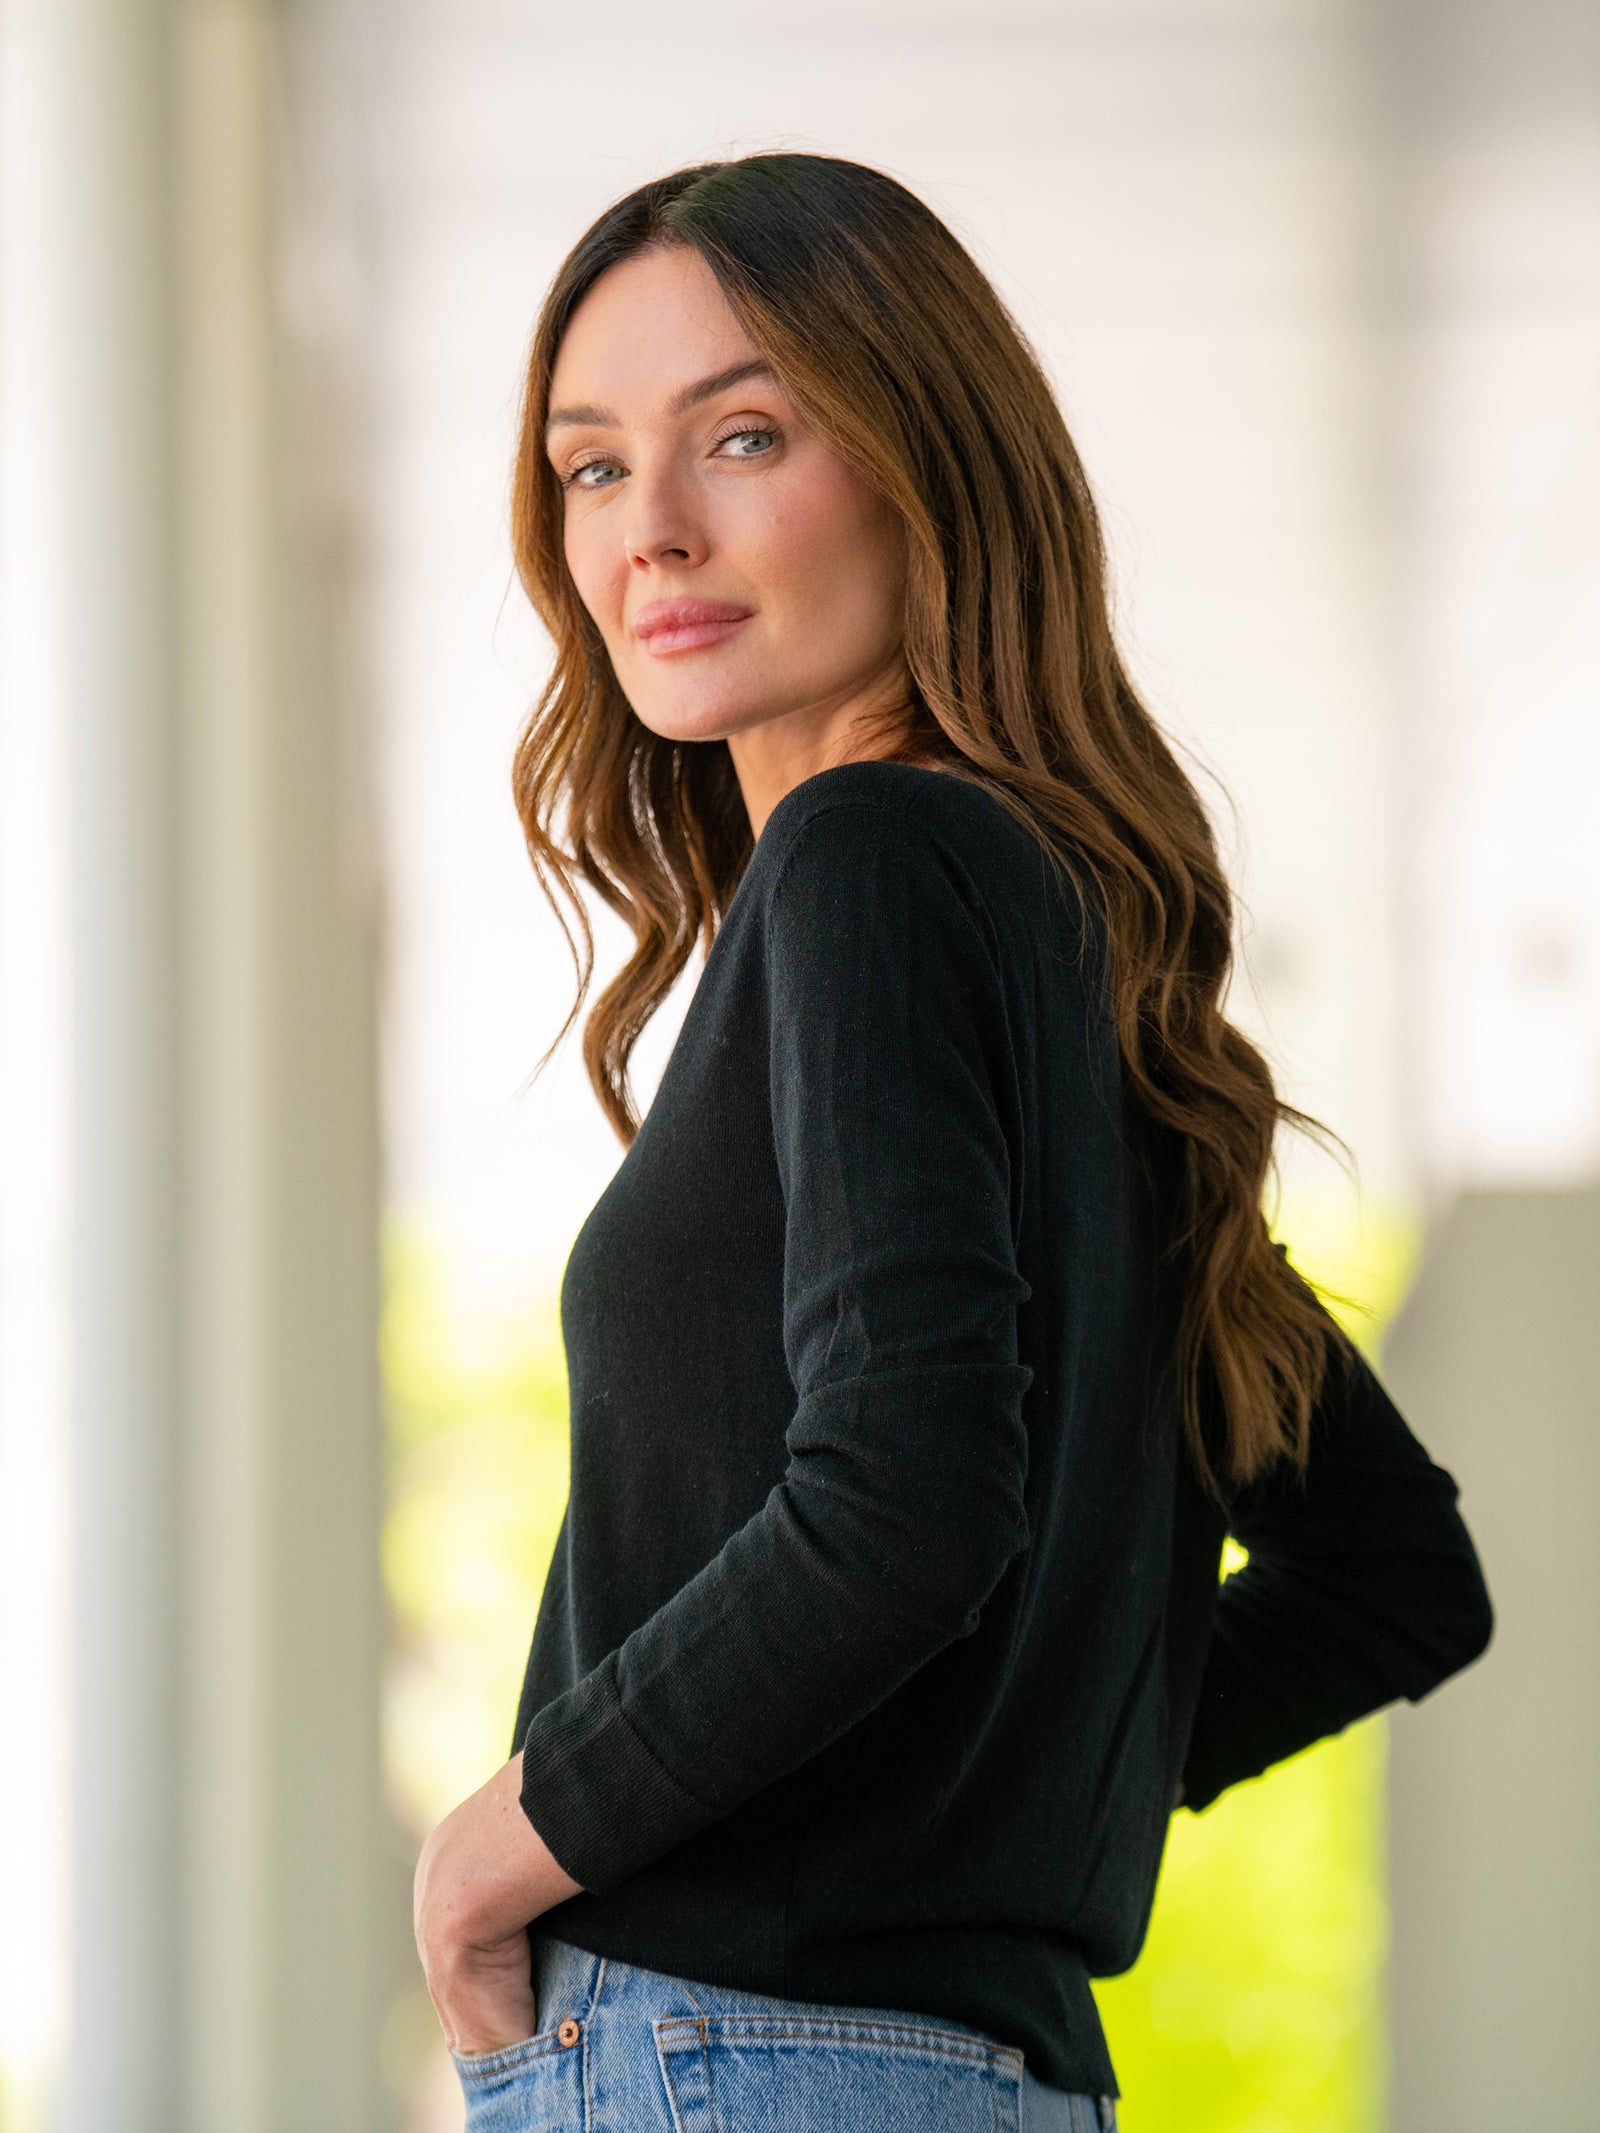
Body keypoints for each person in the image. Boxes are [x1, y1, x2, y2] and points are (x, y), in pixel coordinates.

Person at [411, 154, 1492, 2133]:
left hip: (736, 2046)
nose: (651, 529)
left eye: (742, 434)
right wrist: (973, 1794)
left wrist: (491, 1851)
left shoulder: (866, 859)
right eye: (586, 466)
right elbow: (1393, 1575)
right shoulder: (1066, 962)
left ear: (930, 460)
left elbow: (900, 1499)